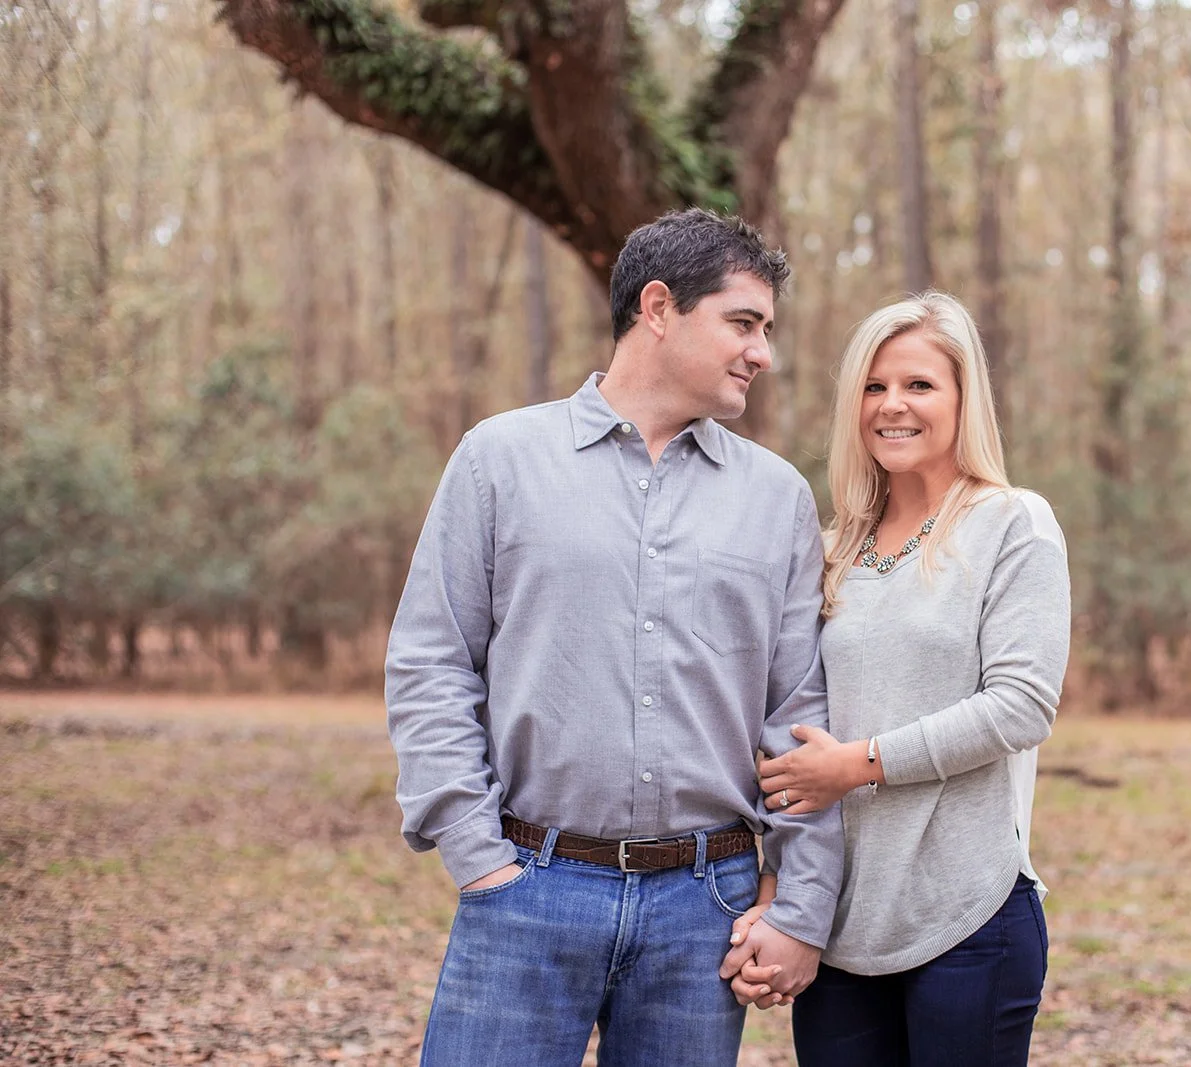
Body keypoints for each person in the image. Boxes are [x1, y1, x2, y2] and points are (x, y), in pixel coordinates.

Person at [385, 208, 843, 1066]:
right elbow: (432, 662)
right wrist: (480, 859)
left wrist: (800, 907)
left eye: (767, 329)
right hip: (527, 887)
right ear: (660, 307)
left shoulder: (777, 499)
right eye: (743, 323)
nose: (763, 353)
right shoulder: (499, 460)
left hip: (704, 906)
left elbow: (798, 716)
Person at [733, 292, 1072, 1065]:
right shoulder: (832, 548)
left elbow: (1020, 705)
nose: (893, 406)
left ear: (963, 399)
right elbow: (790, 722)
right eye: (874, 386)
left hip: (969, 917)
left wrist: (855, 766)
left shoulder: (1012, 524)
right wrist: (779, 883)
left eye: (919, 385)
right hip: (842, 925)